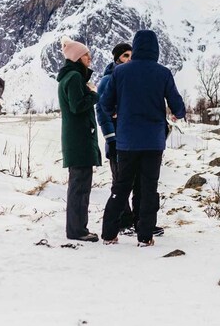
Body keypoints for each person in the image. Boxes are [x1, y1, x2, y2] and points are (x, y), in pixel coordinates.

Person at [100, 30, 186, 247]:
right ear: (156, 48)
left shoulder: (120, 72)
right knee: (148, 188)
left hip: (127, 141)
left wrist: (115, 111)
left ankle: (109, 233)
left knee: (121, 187)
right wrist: (175, 112)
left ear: (136, 47)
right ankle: (145, 236)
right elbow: (178, 107)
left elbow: (105, 103)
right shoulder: (163, 73)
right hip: (153, 142)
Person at [57, 35, 101, 243]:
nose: (89, 59)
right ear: (77, 57)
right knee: (80, 187)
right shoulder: (74, 78)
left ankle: (77, 228)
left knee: (78, 185)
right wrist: (93, 94)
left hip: (77, 139)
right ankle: (77, 230)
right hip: (79, 140)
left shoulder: (69, 77)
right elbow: (77, 106)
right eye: (86, 56)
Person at [96, 42, 136, 231]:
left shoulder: (131, 78)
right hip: (116, 140)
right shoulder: (107, 80)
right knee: (120, 182)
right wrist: (110, 138)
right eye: (125, 56)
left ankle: (133, 220)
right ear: (117, 58)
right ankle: (123, 221)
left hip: (132, 140)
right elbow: (102, 112)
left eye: (131, 56)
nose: (129, 59)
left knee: (134, 180)